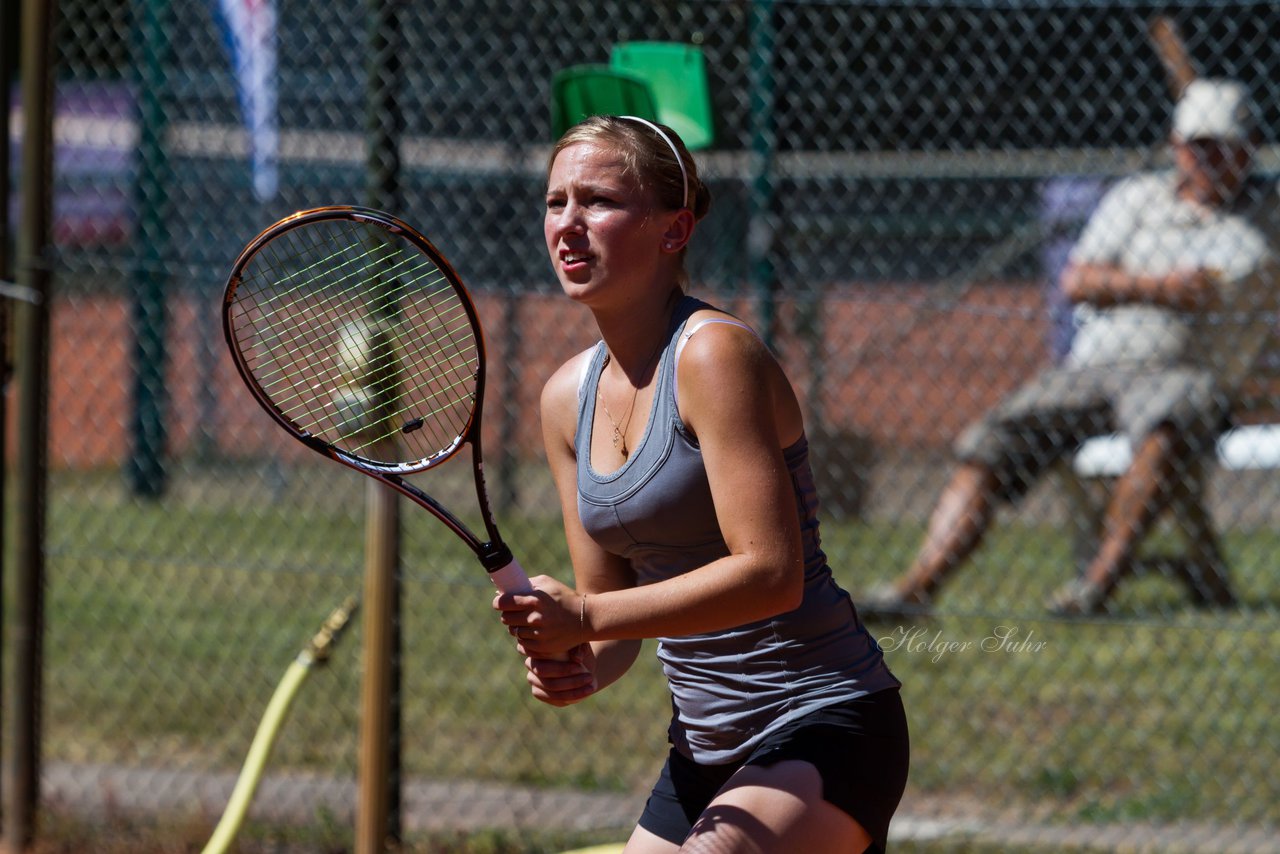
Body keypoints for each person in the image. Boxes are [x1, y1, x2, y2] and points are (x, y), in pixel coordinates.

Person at [492, 115, 909, 854]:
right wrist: (578, 661)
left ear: (673, 229)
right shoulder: (564, 399)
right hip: (705, 747)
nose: (568, 224)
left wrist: (584, 615)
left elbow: (770, 574)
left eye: (599, 202)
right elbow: (615, 621)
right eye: (556, 202)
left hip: (824, 720)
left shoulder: (715, 356)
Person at [863, 78, 1279, 618]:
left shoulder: (1266, 219)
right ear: (1175, 147)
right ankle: (916, 588)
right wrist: (1161, 289)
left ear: (1248, 150)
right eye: (1197, 146)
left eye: (1223, 146)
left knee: (1165, 429)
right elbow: (1079, 280)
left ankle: (1093, 589)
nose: (1210, 158)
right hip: (1092, 368)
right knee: (990, 442)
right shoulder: (1137, 199)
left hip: (1184, 374)